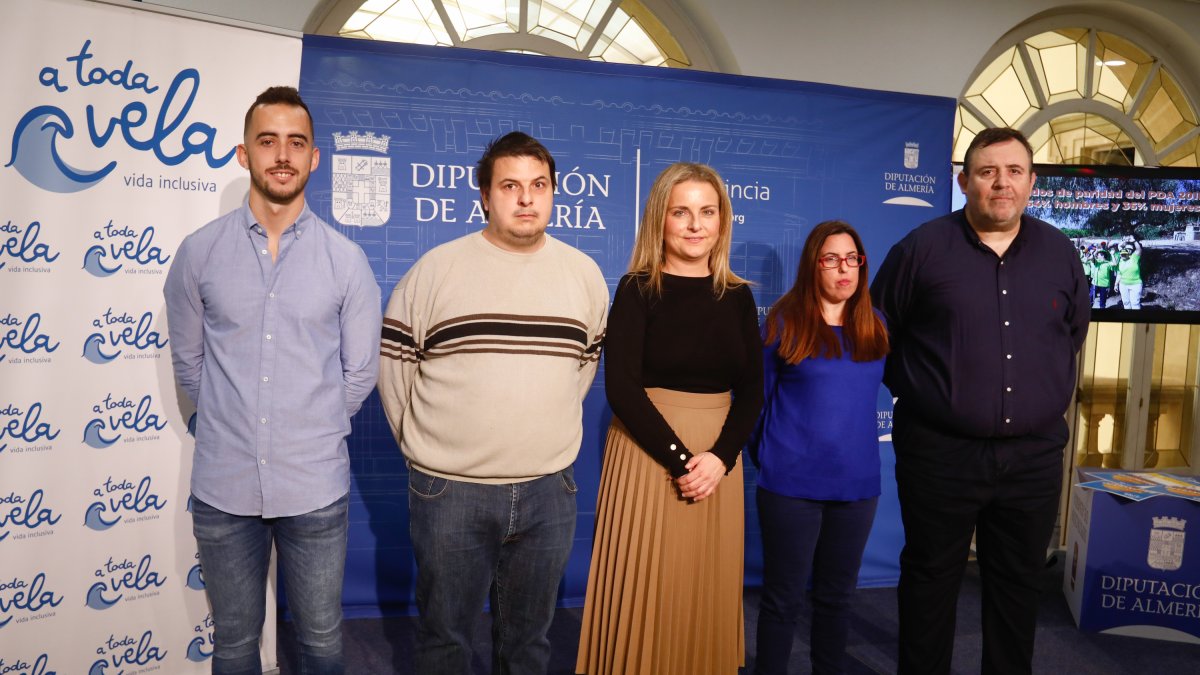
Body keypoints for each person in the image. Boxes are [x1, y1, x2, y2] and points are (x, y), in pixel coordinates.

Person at [164, 86, 382, 675]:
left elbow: (361, 370)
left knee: (321, 644)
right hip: (223, 488)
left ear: (315, 158)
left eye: (296, 142)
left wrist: (315, 430)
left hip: (315, 489)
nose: (281, 155)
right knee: (234, 647)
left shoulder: (346, 261)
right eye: (268, 141)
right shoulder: (198, 254)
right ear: (244, 154)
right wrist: (225, 427)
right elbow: (188, 364)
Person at [378, 131, 608, 675]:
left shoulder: (585, 276)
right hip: (450, 491)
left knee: (529, 644)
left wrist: (533, 430)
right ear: (485, 195)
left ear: (553, 193)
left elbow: (582, 368)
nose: (526, 198)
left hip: (549, 490)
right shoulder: (435, 271)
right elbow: (395, 373)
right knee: (446, 641)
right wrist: (428, 450)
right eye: (510, 186)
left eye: (538, 185)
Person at [870, 127, 1089, 675]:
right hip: (940, 455)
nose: (1002, 183)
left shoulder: (1060, 253)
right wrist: (928, 394)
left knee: (1018, 590)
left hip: (1033, 457)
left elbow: (1071, 333)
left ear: (1032, 183)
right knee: (930, 582)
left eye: (1014, 171)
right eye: (988, 171)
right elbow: (877, 334)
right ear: (964, 180)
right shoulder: (919, 250)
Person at [576, 162, 763, 675]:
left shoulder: (740, 296)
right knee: (645, 586)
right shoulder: (637, 288)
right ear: (660, 219)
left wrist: (718, 461)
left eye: (707, 212)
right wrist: (683, 461)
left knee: (702, 586)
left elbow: (752, 390)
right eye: (681, 212)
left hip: (716, 464)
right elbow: (622, 389)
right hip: (648, 455)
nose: (695, 224)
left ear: (723, 221)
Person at [751, 220, 889, 675]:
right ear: (814, 265)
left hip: (857, 488)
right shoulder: (785, 324)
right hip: (790, 488)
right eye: (831, 259)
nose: (843, 269)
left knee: (836, 599)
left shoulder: (876, 325)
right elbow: (756, 401)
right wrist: (770, 458)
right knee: (783, 599)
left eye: (852, 258)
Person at [1117, 237, 1144, 309]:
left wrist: (1134, 241)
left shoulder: (1134, 257)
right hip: (1123, 285)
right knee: (1126, 303)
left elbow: (1139, 249)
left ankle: (1135, 319)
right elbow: (1119, 274)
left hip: (1136, 284)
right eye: (1126, 249)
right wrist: (1116, 284)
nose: (1128, 251)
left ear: (1131, 251)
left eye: (1130, 250)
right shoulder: (1121, 260)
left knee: (1135, 303)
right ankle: (1127, 319)